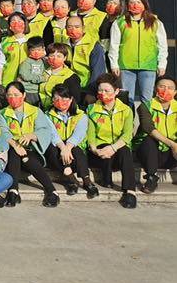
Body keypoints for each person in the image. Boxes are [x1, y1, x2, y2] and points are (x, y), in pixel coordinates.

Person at [0, 82, 60, 208]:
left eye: (16, 95)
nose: (12, 98)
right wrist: (16, 145)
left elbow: (44, 130)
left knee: (26, 158)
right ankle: (13, 190)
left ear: (24, 95)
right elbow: (2, 131)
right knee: (14, 152)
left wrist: (31, 135)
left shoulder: (35, 111)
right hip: (12, 152)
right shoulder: (3, 113)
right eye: (9, 95)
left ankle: (51, 191)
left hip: (32, 151)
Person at [86, 73, 137, 208]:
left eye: (107, 90)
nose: (103, 94)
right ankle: (106, 178)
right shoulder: (92, 109)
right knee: (104, 146)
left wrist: (113, 147)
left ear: (116, 91)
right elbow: (90, 134)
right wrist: (94, 149)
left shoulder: (126, 110)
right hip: (99, 152)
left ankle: (130, 191)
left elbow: (127, 135)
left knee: (125, 150)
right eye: (100, 90)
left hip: (118, 150)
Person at [109, 0, 168, 105]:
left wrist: (162, 64)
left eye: (138, 2)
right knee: (127, 99)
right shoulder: (120, 22)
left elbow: (162, 45)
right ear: (127, 5)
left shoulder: (155, 22)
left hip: (148, 66)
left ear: (144, 4)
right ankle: (128, 117)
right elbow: (114, 45)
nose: (135, 5)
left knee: (147, 99)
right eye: (132, 2)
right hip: (126, 66)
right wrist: (114, 64)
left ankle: (146, 118)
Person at [45, 84, 99, 198]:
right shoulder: (48, 115)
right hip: (57, 150)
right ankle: (71, 179)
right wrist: (62, 148)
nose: (60, 101)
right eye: (56, 98)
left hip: (73, 153)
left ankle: (87, 181)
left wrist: (68, 148)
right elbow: (52, 134)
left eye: (64, 98)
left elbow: (78, 134)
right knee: (52, 150)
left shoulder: (81, 115)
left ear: (71, 99)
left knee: (77, 150)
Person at [136, 76, 177, 194]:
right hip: (149, 154)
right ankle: (151, 178)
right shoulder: (146, 106)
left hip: (171, 154)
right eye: (162, 87)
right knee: (149, 140)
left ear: (175, 92)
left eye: (170, 88)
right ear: (155, 89)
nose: (166, 90)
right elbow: (148, 127)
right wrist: (172, 144)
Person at [65, 15, 106, 102]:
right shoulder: (64, 45)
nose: (73, 30)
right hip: (69, 88)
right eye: (69, 27)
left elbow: (98, 72)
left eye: (77, 27)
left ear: (83, 28)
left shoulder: (93, 45)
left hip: (87, 88)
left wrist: (91, 92)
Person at [39, 43, 80, 110]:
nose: (55, 59)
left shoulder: (71, 76)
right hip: (42, 109)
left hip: (59, 111)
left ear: (65, 58)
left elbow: (75, 100)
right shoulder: (43, 72)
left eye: (59, 56)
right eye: (52, 55)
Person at [0, 12, 29, 86]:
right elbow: (0, 63)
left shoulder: (31, 41)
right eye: (13, 21)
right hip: (8, 80)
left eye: (19, 21)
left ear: (25, 24)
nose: (16, 23)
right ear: (10, 26)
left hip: (27, 82)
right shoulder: (4, 42)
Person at [17, 37, 47, 106]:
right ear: (29, 51)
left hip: (39, 91)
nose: (36, 52)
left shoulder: (43, 61)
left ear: (43, 49)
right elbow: (25, 76)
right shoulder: (26, 63)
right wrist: (41, 79)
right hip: (29, 91)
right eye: (33, 50)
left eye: (39, 50)